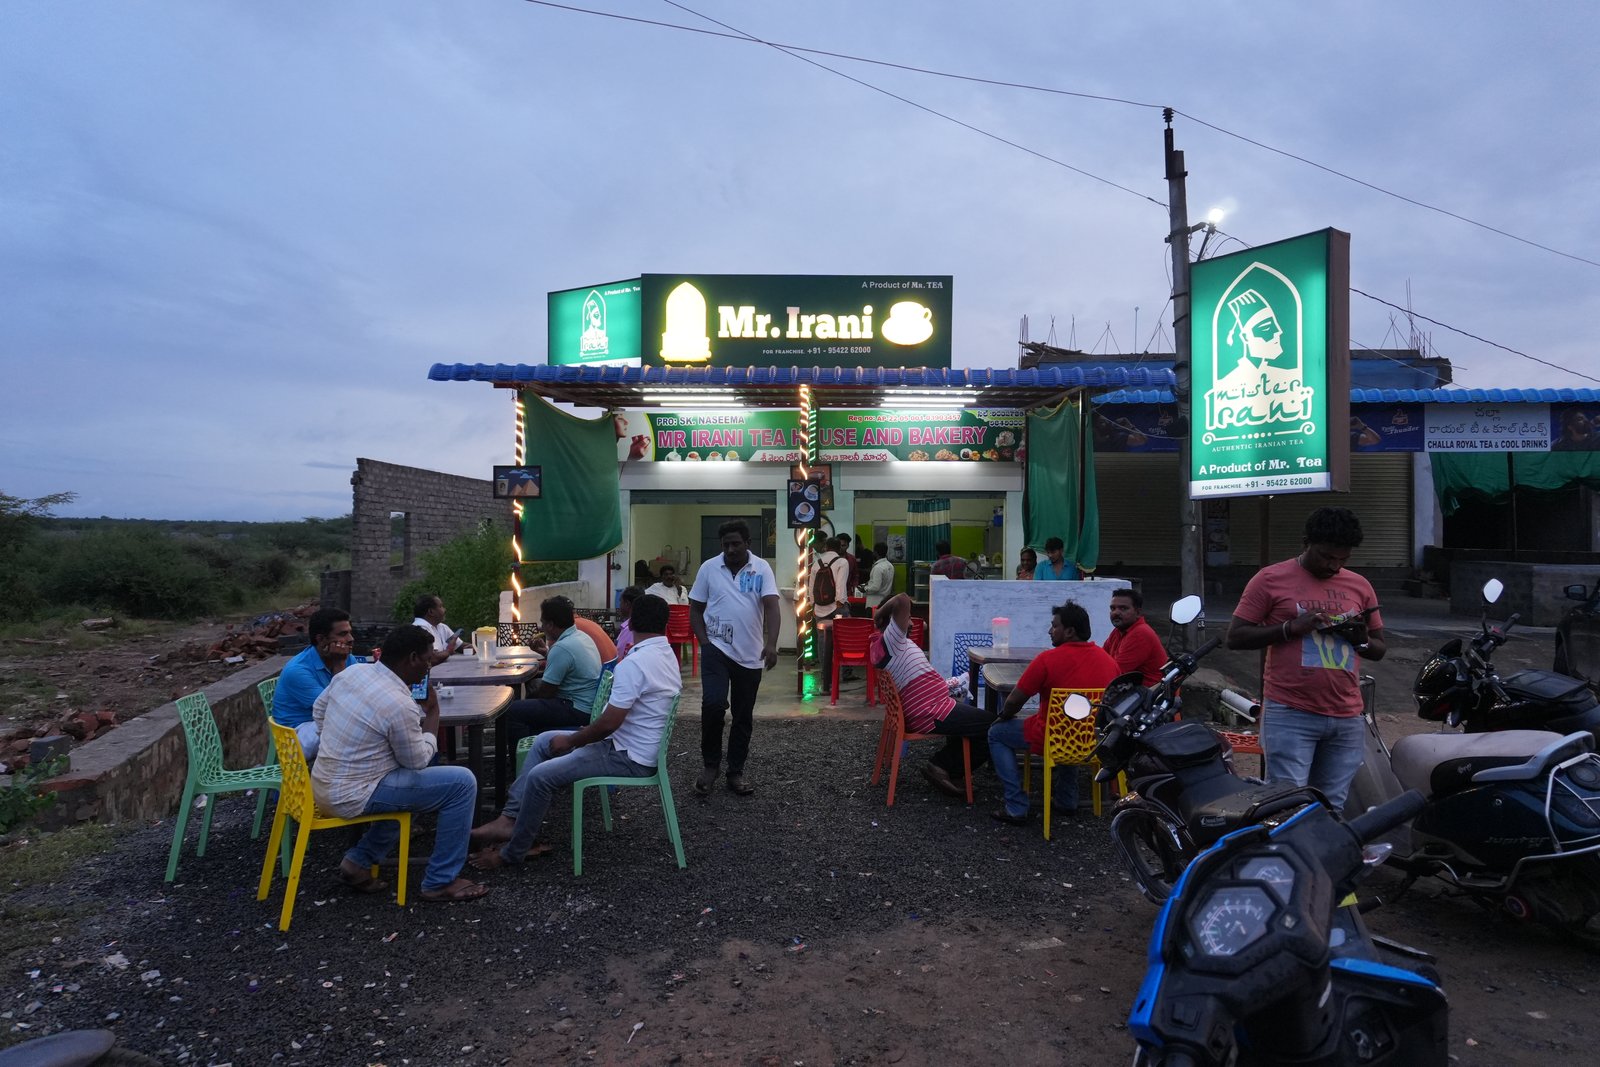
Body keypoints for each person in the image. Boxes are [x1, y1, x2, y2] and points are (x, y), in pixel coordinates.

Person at [468, 594, 681, 867]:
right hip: (632, 747)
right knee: (542, 741)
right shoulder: (665, 655)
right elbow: (618, 719)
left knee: (540, 777)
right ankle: (509, 820)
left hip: (626, 755)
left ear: (632, 622)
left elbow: (609, 723)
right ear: (664, 624)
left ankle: (512, 852)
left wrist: (572, 741)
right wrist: (582, 735)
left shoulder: (636, 663)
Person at [310, 624, 487, 902]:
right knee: (461, 783)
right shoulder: (399, 703)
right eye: (428, 660)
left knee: (411, 783)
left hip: (321, 783)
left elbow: (318, 710)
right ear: (412, 658)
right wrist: (433, 712)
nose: (429, 667)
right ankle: (440, 881)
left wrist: (341, 748)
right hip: (353, 794)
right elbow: (418, 761)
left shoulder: (353, 672)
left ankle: (357, 862)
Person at [1226, 506, 1386, 811]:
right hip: (1291, 712)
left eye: (1342, 559)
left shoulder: (1360, 585)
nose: (1334, 566)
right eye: (1326, 556)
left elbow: (1379, 648)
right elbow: (1235, 637)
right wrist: (1290, 628)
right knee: (1288, 805)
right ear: (1306, 543)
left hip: (1347, 716)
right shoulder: (1269, 579)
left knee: (1331, 806)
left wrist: (1360, 639)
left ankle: (1321, 846)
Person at [986, 600, 1120, 824]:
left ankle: (1016, 806)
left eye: (1054, 626)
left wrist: (1004, 716)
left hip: (1052, 736)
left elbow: (1014, 700)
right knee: (1070, 727)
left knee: (996, 734)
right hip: (1091, 739)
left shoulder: (1047, 660)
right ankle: (1067, 800)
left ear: (1069, 631)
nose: (1050, 631)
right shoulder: (1108, 661)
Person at [689, 519, 781, 796]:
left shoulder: (761, 568)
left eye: (736, 544)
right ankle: (710, 766)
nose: (730, 549)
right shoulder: (709, 568)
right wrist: (705, 643)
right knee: (713, 704)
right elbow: (695, 609)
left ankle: (735, 771)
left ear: (748, 544)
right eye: (726, 544)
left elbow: (772, 607)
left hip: (750, 654)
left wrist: (772, 644)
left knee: (742, 715)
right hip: (716, 649)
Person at [875, 593, 993, 798]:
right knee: (994, 727)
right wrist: (879, 614)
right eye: (907, 618)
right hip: (930, 711)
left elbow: (918, 622)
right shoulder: (891, 640)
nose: (911, 623)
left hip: (934, 705)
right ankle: (942, 766)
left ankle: (950, 767)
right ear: (891, 621)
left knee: (976, 720)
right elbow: (902, 599)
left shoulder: (889, 643)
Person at [498, 596, 603, 750]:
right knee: (527, 704)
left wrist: (528, 698)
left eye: (543, 623)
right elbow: (569, 663)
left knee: (513, 711)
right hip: (588, 705)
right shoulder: (582, 637)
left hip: (576, 709)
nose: (541, 628)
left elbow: (546, 693)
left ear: (551, 625)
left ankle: (520, 759)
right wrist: (546, 652)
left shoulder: (562, 647)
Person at [271, 607, 357, 760]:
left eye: (350, 632)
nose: (350, 639)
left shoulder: (347, 657)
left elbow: (360, 694)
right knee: (350, 729)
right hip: (296, 735)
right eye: (343, 634)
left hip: (324, 723)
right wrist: (339, 665)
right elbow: (338, 709)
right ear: (321, 639)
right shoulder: (298, 670)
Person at [1103, 588, 1168, 687]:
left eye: (1123, 608)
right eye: (1113, 608)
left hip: (1148, 693)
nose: (1116, 612)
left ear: (1137, 612)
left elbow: (1115, 673)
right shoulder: (1118, 631)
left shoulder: (1140, 633)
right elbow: (1101, 659)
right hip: (1129, 690)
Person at [812, 536, 850, 680]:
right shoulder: (842, 562)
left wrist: (813, 604)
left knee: (822, 640)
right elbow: (840, 584)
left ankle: (825, 674)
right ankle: (843, 673)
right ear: (839, 548)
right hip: (837, 607)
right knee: (843, 639)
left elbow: (811, 586)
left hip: (819, 607)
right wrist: (840, 603)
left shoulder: (817, 563)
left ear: (826, 547)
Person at [411, 594, 461, 665]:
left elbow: (461, 646)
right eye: (441, 606)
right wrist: (449, 650)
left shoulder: (442, 627)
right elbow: (431, 659)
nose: (444, 610)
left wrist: (477, 644)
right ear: (431, 612)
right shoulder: (419, 628)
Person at [864, 540, 895, 608]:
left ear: (875, 552)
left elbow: (875, 587)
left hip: (874, 603)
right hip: (885, 602)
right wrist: (869, 583)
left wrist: (864, 588)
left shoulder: (878, 567)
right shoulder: (890, 566)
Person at [614, 585, 643, 659]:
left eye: (621, 602)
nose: (619, 606)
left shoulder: (629, 629)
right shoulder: (642, 625)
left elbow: (619, 657)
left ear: (627, 604)